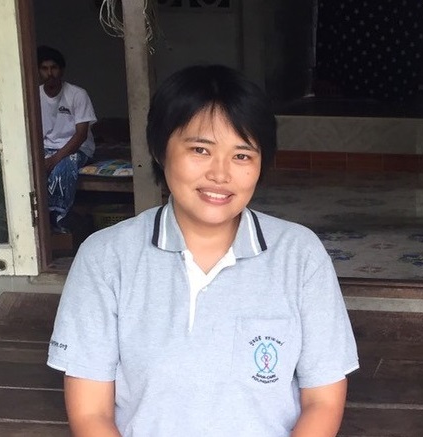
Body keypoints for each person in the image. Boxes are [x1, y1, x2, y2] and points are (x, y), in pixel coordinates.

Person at [47, 65, 359, 436]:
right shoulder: (105, 258)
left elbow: (322, 402)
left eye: (242, 156)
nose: (220, 174)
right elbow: (91, 414)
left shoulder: (299, 256)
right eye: (200, 150)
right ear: (160, 150)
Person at [37, 45, 97, 232]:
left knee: (62, 168)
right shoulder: (34, 95)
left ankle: (58, 218)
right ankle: (41, 219)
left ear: (61, 70)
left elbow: (81, 135)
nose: (50, 73)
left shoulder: (77, 94)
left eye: (54, 68)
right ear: (38, 71)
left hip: (77, 148)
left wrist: (54, 159)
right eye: (44, 69)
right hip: (46, 148)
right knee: (30, 169)